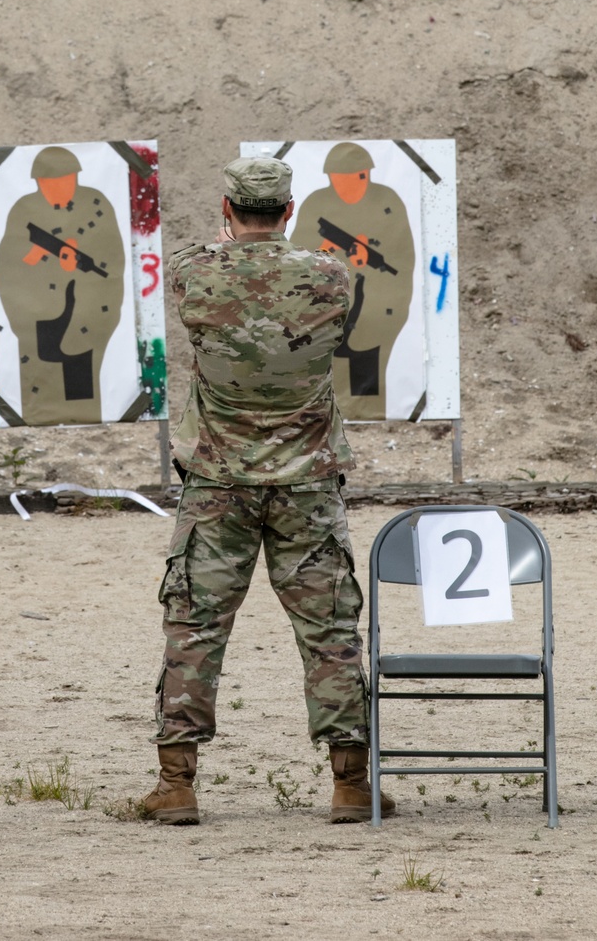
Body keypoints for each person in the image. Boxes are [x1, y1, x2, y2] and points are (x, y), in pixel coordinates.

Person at [141, 156, 393, 825]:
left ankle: (177, 784)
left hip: (218, 482)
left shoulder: (196, 273)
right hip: (307, 482)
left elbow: (207, 283)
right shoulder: (330, 276)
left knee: (194, 625)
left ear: (228, 210)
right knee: (331, 629)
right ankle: (350, 784)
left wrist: (228, 248)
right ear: (289, 210)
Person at [0, 146, 126, 425]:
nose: (61, 187)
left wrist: (77, 266)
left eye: (67, 180)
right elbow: (8, 264)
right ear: (39, 183)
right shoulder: (23, 209)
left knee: (82, 391)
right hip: (39, 317)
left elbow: (113, 261)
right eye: (52, 183)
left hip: (85, 318)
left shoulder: (96, 204)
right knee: (40, 393)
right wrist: (38, 257)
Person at [291, 142, 415, 420]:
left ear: (365, 175)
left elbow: (402, 260)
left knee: (365, 379)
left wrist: (367, 263)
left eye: (350, 179)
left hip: (373, 310)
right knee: (321, 386)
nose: (343, 187)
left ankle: (365, 421)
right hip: (324, 311)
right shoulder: (316, 203)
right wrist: (324, 248)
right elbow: (296, 259)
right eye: (337, 180)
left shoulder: (387, 202)